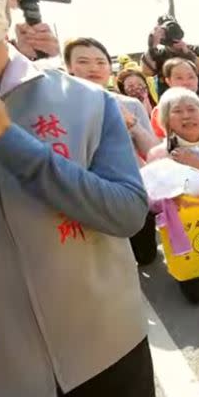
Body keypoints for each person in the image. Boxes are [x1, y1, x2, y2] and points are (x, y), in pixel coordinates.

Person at [0, 0, 159, 397]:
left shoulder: (84, 100)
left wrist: (9, 142)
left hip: (111, 349)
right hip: (3, 388)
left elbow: (125, 211)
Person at [63, 37, 160, 266]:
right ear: (69, 68)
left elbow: (152, 151)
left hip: (130, 195)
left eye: (100, 61)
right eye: (84, 62)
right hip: (86, 199)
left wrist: (132, 124)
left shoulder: (130, 104)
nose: (93, 68)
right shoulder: (61, 108)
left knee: (145, 257)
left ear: (110, 67)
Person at [141, 14, 199, 97]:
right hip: (170, 103)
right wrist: (152, 46)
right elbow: (146, 72)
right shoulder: (158, 54)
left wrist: (189, 54)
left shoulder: (195, 50)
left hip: (198, 100)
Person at [150, 58, 199, 138]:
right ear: (168, 81)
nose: (186, 82)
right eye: (179, 78)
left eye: (191, 77)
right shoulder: (160, 112)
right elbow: (158, 141)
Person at [147, 87, 199, 173]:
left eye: (191, 109)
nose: (186, 116)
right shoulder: (158, 155)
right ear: (166, 120)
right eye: (177, 111)